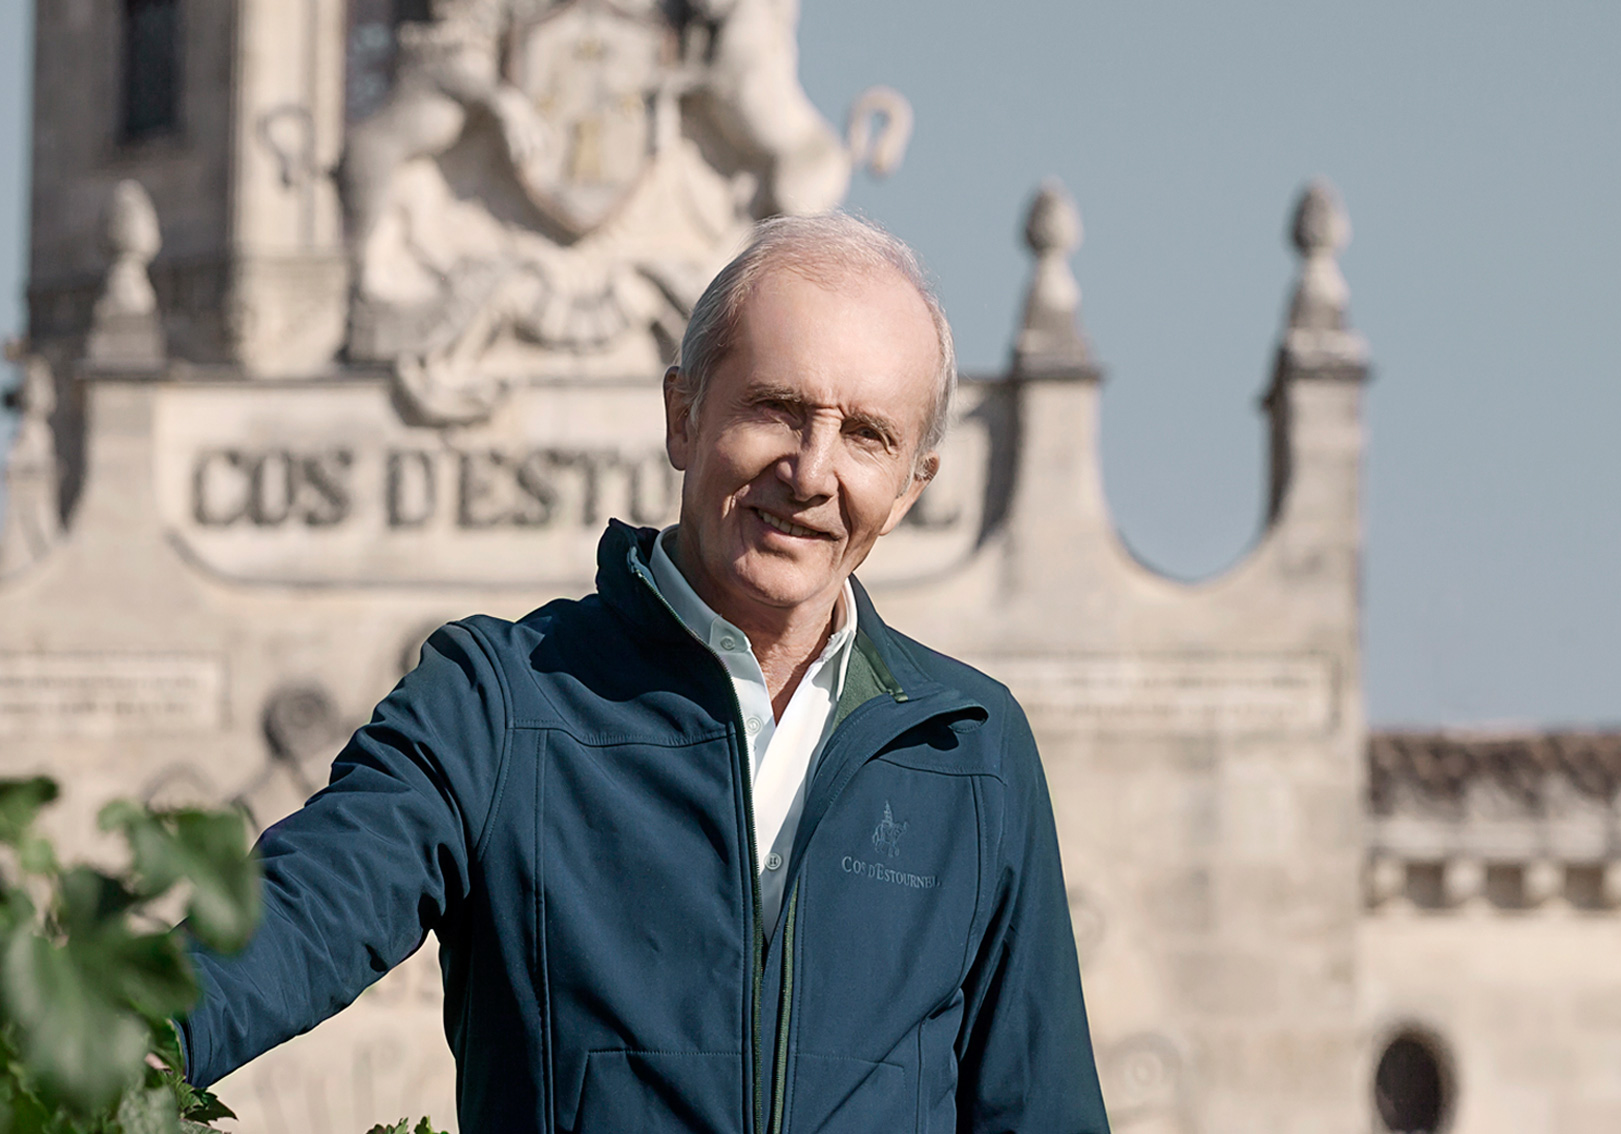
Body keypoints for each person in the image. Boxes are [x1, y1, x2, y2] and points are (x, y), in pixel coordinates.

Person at [183, 214, 1111, 1133]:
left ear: (911, 485)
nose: (810, 472)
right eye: (776, 409)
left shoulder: (970, 748)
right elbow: (289, 924)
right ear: (683, 416)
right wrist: (124, 1050)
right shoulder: (497, 702)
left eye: (866, 435)